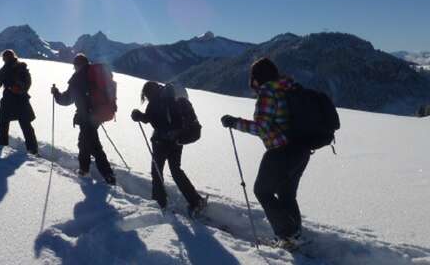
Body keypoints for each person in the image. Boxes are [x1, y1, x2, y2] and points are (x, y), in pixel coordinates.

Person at [220, 58, 310, 249]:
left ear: (256, 77)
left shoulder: (268, 92)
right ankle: (295, 235)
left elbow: (262, 128)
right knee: (287, 194)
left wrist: (234, 122)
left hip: (280, 152)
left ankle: (287, 235)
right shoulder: (287, 88)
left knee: (262, 191)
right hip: (301, 150)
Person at [131, 81, 206, 216]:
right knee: (176, 171)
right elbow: (153, 118)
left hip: (161, 142)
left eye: (146, 95)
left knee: (157, 172)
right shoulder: (171, 99)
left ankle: (159, 203)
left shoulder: (155, 101)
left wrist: (138, 115)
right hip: (177, 141)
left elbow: (148, 118)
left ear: (149, 92)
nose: (147, 98)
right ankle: (196, 200)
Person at [51, 53, 116, 185]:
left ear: (77, 65)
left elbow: (66, 99)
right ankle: (84, 169)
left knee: (94, 146)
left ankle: (108, 176)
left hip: (87, 117)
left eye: (74, 66)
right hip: (97, 115)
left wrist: (56, 93)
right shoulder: (96, 75)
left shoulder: (78, 78)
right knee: (84, 143)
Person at [0, 49, 39, 155]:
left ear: (4, 58)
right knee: (26, 125)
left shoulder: (4, 69)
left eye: (3, 57)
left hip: (8, 100)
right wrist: (21, 90)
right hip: (22, 100)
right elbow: (28, 83)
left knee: (3, 122)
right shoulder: (22, 67)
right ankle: (33, 149)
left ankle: (2, 144)